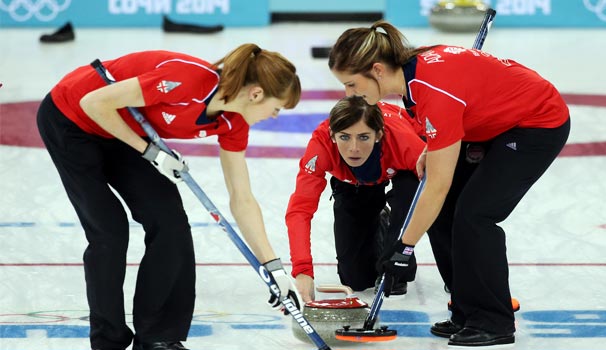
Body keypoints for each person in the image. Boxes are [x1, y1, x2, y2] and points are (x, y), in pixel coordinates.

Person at [36, 44, 301, 350]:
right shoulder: (188, 79)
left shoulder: (233, 122)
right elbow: (94, 102)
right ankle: (108, 341)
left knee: (171, 222)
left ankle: (158, 337)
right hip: (72, 118)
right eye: (276, 108)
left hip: (122, 129)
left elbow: (242, 197)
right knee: (109, 230)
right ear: (256, 94)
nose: (274, 116)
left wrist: (274, 267)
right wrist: (151, 152)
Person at [328, 21, 570, 347]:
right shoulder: (413, 76)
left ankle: (492, 320)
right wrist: (436, 144)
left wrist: (403, 247)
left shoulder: (432, 90)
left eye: (352, 84)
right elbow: (460, 104)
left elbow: (436, 185)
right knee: (445, 214)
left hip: (535, 124)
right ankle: (466, 308)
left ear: (377, 70)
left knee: (475, 216)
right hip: (491, 122)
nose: (349, 94)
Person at [286, 95, 425, 302]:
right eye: (344, 137)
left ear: (378, 134)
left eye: (363, 137)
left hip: (403, 170)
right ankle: (382, 222)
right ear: (332, 135)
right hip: (351, 181)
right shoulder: (321, 146)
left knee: (395, 269)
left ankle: (393, 241)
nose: (354, 148)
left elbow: (441, 190)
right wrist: (303, 270)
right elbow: (300, 210)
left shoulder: (404, 141)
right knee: (356, 278)